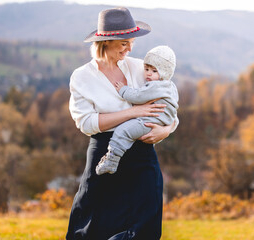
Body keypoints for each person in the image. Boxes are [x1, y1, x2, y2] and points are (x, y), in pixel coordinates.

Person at [66, 7, 178, 240]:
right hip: (105, 154)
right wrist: (134, 112)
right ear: (106, 42)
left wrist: (166, 130)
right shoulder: (82, 76)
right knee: (95, 222)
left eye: (131, 43)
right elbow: (87, 123)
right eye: (124, 43)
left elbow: (168, 104)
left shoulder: (139, 68)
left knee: (144, 225)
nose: (129, 49)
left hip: (142, 155)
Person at [96, 45, 179, 175]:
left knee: (122, 131)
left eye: (154, 71)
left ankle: (111, 160)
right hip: (159, 121)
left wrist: (123, 89)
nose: (149, 73)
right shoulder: (171, 87)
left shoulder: (156, 86)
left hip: (149, 121)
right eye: (146, 69)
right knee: (130, 134)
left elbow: (137, 96)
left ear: (164, 73)